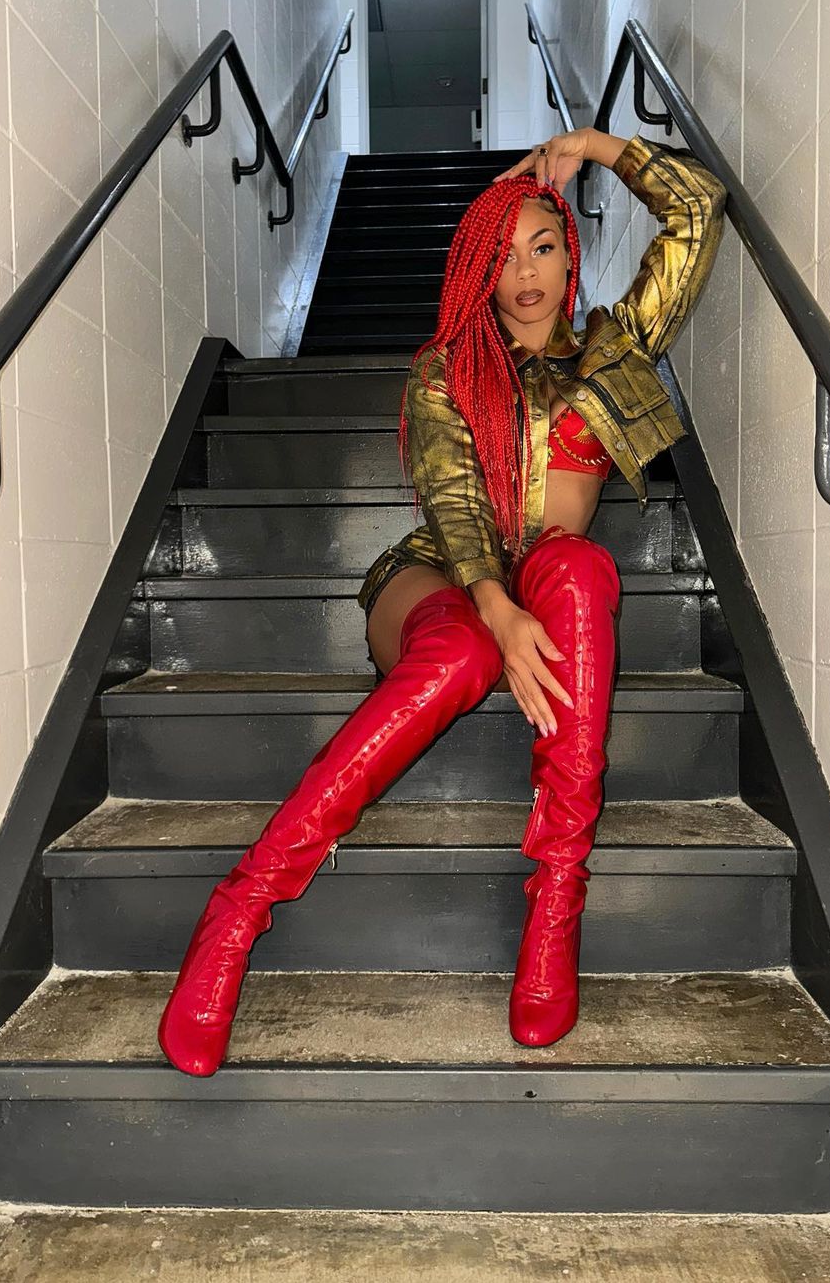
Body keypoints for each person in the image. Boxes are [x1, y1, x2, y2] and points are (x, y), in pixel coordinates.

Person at [157, 126, 728, 1076]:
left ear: (570, 252)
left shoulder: (616, 347)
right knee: (462, 652)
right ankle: (239, 910)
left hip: (547, 577)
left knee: (582, 567)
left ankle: (555, 907)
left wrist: (595, 145)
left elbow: (699, 209)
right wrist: (497, 612)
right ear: (478, 273)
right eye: (502, 257)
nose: (526, 273)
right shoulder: (446, 369)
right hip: (443, 576)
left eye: (542, 247)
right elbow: (458, 509)